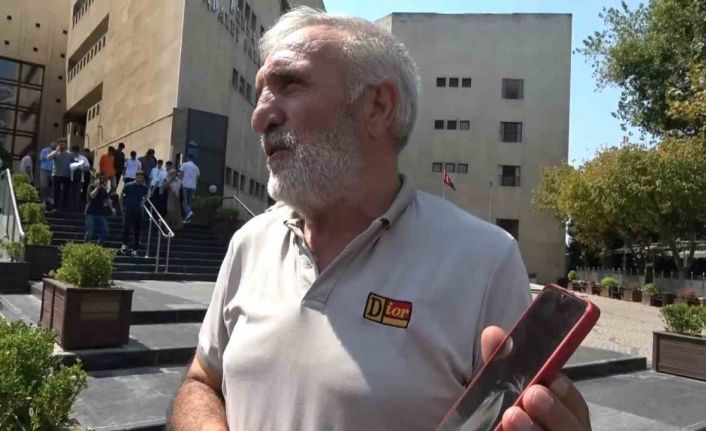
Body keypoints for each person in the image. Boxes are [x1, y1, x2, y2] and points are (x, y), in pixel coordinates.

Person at [168, 8, 592, 431]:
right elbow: (202, 381)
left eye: (290, 84)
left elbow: (509, 412)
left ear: (377, 106)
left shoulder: (485, 262)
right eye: (261, 92)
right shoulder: (248, 243)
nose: (260, 117)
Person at [119, 171, 148, 256]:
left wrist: (143, 201)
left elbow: (146, 196)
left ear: (143, 178)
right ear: (135, 176)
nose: (139, 177)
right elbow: (121, 195)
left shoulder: (144, 187)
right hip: (128, 209)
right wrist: (121, 207)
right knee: (126, 228)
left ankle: (135, 249)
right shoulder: (128, 185)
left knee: (137, 230)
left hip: (138, 210)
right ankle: (124, 244)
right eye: (138, 176)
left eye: (141, 176)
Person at [84, 173, 114, 244]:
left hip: (100, 213)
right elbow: (92, 196)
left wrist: (112, 208)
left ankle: (100, 245)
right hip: (90, 212)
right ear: (96, 179)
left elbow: (107, 199)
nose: (102, 180)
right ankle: (87, 244)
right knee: (90, 231)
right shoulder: (91, 187)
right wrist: (97, 188)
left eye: (103, 179)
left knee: (105, 230)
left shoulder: (103, 189)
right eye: (100, 179)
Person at [47, 138, 73, 212]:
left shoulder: (69, 154)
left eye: (64, 144)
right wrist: (56, 151)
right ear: (58, 145)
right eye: (61, 144)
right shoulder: (55, 152)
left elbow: (73, 162)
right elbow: (48, 157)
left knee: (66, 192)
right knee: (56, 192)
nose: (62, 146)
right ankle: (55, 207)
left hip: (67, 175)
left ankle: (64, 207)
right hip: (56, 174)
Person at [68, 145, 89, 212]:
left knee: (77, 193)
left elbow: (87, 167)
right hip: (69, 177)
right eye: (74, 152)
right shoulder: (69, 157)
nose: (75, 153)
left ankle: (76, 208)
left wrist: (81, 169)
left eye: (76, 152)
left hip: (79, 178)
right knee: (70, 193)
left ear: (78, 151)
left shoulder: (83, 158)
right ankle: (69, 207)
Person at [179, 155, 200, 222]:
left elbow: (181, 174)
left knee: (184, 200)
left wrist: (179, 181)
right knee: (190, 201)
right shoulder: (196, 167)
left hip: (185, 185)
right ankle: (187, 217)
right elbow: (197, 178)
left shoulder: (184, 165)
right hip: (193, 186)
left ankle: (188, 212)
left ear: (188, 158)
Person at [38, 141, 56, 206]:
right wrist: (50, 155)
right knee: (44, 186)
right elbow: (41, 158)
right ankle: (44, 200)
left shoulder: (56, 152)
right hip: (44, 170)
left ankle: (50, 199)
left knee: (52, 186)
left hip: (53, 171)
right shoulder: (45, 150)